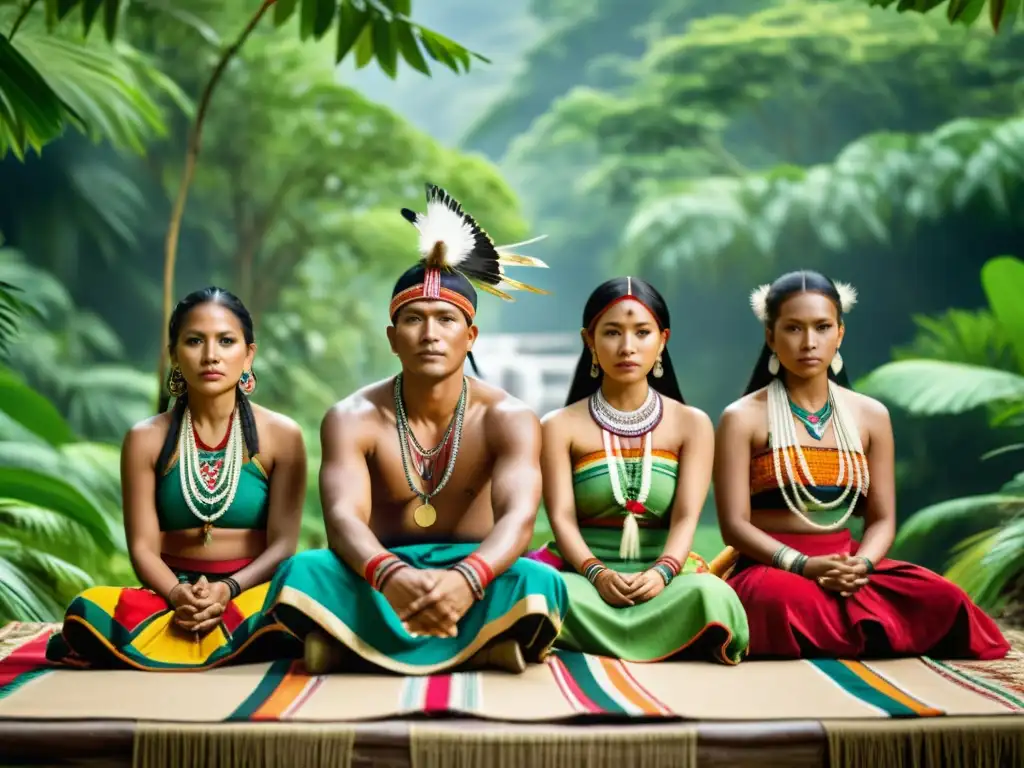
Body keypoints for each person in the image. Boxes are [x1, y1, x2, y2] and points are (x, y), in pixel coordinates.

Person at [264, 183, 567, 675]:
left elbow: (517, 520)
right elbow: (343, 518)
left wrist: (467, 578)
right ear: (391, 337)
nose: (429, 334)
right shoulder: (352, 417)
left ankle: (349, 647)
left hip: (476, 570)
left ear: (470, 337)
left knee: (538, 580)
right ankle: (485, 648)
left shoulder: (508, 418)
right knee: (303, 571)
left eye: (446, 319)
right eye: (413, 320)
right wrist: (390, 574)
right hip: (379, 570)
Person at [709, 270, 1010, 660]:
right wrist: (804, 565)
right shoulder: (742, 418)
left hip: (847, 564)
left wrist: (861, 566)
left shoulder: (870, 416)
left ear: (840, 334)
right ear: (770, 336)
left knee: (943, 597)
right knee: (782, 600)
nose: (809, 342)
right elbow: (734, 526)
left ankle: (846, 630)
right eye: (793, 329)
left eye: (822, 327)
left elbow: (882, 519)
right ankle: (867, 634)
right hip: (774, 566)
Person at [46, 288, 307, 670]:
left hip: (250, 593)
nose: (211, 355)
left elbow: (283, 544)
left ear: (248, 355)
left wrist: (228, 589)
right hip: (172, 595)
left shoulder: (282, 436)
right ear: (174, 353)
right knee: (89, 608)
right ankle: (234, 644)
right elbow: (142, 547)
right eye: (194, 341)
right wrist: (178, 593)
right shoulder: (145, 439)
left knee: (305, 596)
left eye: (226, 341)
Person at [528, 277, 749, 663]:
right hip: (582, 578)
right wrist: (597, 574)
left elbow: (685, 519)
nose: (627, 347)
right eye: (612, 332)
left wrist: (662, 573)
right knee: (539, 591)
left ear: (662, 340)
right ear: (589, 340)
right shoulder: (558, 426)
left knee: (712, 595)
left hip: (664, 579)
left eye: (642, 332)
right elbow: (560, 518)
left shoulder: (692, 424)